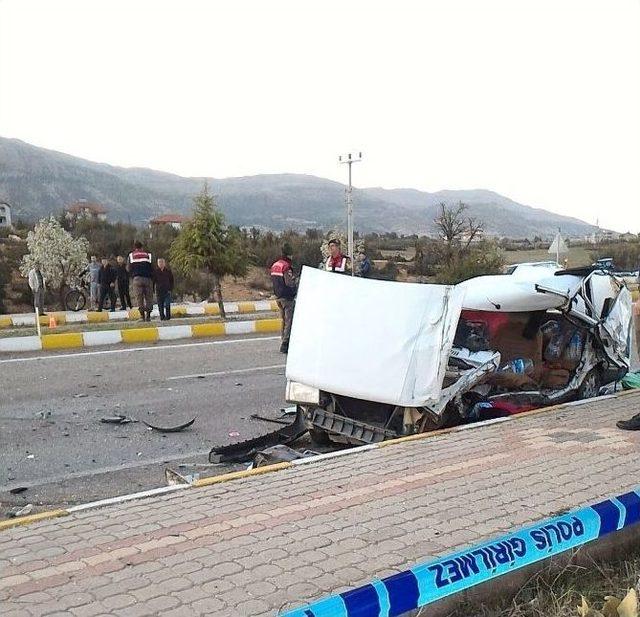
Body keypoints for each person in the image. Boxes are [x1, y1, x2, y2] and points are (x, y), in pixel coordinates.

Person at [270, 244, 297, 353]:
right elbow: (289, 282)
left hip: (278, 297)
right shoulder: (286, 266)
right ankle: (285, 343)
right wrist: (295, 284)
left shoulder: (275, 265)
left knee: (283, 320)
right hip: (287, 298)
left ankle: (283, 338)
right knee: (289, 321)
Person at [127, 241, 154, 321]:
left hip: (137, 279)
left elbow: (128, 268)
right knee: (149, 297)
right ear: (142, 247)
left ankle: (142, 316)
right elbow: (152, 267)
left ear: (135, 248)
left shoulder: (131, 255)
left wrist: (132, 275)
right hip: (148, 279)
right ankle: (148, 316)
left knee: (139, 298)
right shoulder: (148, 255)